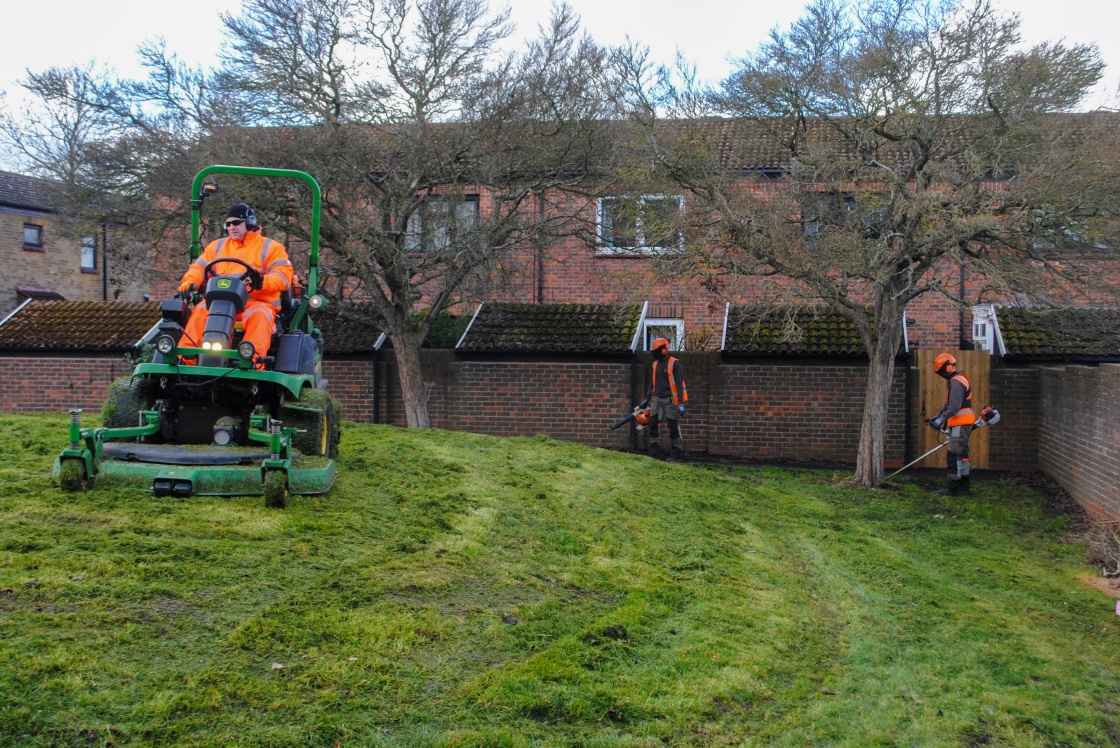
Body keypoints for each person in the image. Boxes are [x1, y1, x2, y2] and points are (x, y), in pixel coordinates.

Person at [177, 204, 293, 363]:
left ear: (250, 223)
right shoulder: (216, 247)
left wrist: (262, 282)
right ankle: (185, 359)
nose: (231, 227)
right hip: (219, 303)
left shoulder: (272, 248)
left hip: (255, 303)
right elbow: (198, 268)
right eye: (228, 224)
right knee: (200, 310)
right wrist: (190, 281)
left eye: (236, 223)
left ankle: (252, 361)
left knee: (260, 316)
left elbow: (283, 276)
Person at [927, 353, 975, 495]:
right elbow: (947, 405)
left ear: (948, 367)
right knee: (962, 455)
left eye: (941, 371)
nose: (941, 374)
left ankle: (952, 488)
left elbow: (954, 407)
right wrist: (936, 417)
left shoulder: (955, 382)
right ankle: (964, 486)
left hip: (960, 424)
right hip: (963, 424)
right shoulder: (957, 380)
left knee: (953, 455)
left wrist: (941, 420)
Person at [641, 337, 688, 459]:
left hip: (670, 400)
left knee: (673, 427)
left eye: (656, 350)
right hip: (656, 399)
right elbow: (653, 383)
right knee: (653, 425)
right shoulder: (655, 364)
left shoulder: (674, 363)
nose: (654, 353)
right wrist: (647, 399)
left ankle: (676, 453)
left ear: (663, 350)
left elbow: (679, 383)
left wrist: (681, 403)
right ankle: (654, 451)